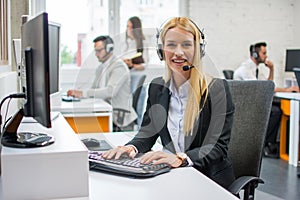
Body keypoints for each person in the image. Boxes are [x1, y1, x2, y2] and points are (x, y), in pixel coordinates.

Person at [103, 17, 235, 190]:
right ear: (161, 50)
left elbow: (217, 147)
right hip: (173, 177)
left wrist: (181, 158)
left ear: (198, 50)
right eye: (171, 45)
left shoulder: (216, 89)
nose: (178, 52)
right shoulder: (157, 88)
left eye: (186, 45)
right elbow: (147, 133)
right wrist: (131, 148)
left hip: (209, 180)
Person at [234, 42, 300, 158]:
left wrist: (272, 69)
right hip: (246, 107)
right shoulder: (246, 69)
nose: (266, 56)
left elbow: (268, 86)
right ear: (255, 54)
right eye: (263, 53)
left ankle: (269, 144)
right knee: (275, 111)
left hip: (253, 103)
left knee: (275, 109)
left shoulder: (255, 70)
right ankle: (266, 146)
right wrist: (288, 90)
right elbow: (263, 88)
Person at [67, 35, 137, 129]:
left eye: (99, 50)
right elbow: (94, 89)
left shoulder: (119, 67)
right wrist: (79, 94)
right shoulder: (101, 68)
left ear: (109, 49)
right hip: (107, 112)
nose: (96, 54)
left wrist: (82, 93)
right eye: (95, 51)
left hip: (120, 120)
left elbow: (110, 92)